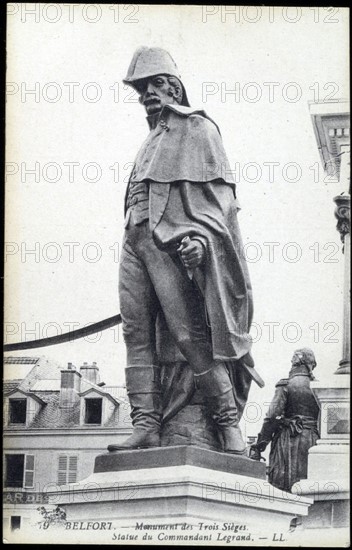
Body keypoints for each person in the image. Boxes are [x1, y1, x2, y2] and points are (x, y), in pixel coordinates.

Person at [108, 47, 261, 454]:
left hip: (169, 244)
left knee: (189, 334)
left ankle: (227, 421)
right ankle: (146, 423)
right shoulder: (149, 139)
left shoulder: (198, 128)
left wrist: (200, 239)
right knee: (135, 332)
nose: (147, 94)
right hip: (134, 239)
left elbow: (219, 201)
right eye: (141, 89)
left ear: (173, 86)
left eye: (155, 85)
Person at [250, 348, 320, 492]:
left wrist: (259, 445)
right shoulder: (318, 387)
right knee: (308, 489)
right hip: (313, 443)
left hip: (287, 441)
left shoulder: (285, 385)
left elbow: (272, 417)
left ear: (295, 362)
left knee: (282, 489)